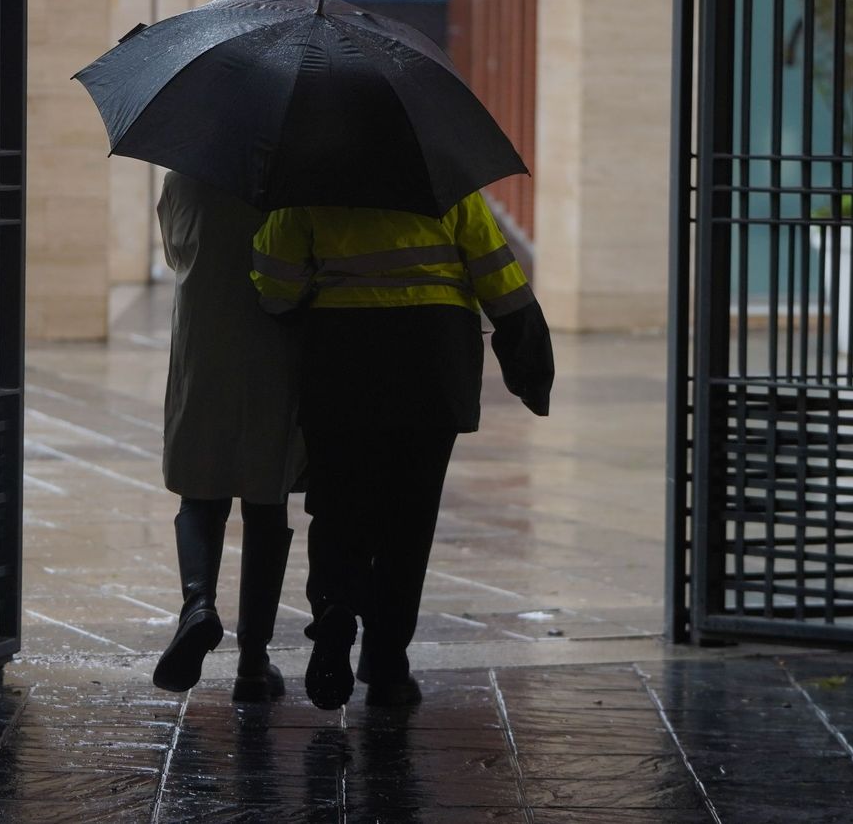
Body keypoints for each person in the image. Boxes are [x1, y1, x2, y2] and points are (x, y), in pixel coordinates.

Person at [251, 191, 554, 709]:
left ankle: (335, 608)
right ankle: (387, 662)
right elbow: (499, 276)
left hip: (342, 358)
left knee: (338, 502)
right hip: (431, 362)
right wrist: (529, 361)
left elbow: (275, 287)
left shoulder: (310, 187)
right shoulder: (446, 185)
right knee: (409, 518)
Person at [152, 171, 306, 701]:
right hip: (273, 353)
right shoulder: (291, 179)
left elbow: (175, 253)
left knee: (201, 491)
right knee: (266, 504)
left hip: (202, 348)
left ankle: (198, 604)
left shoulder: (185, 178)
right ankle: (253, 666)